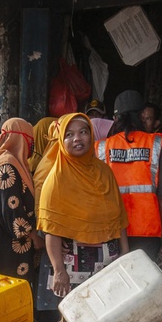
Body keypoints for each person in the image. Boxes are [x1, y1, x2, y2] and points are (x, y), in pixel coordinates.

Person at [35, 113, 130, 298]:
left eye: (83, 132)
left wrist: (125, 255)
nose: (77, 138)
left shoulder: (105, 172)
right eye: (69, 135)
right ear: (61, 140)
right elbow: (51, 230)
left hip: (108, 266)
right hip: (73, 269)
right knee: (76, 320)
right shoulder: (56, 179)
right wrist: (59, 270)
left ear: (91, 136)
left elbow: (119, 219)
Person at [96, 90, 162, 260]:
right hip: (147, 231)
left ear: (115, 119)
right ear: (142, 115)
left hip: (111, 230)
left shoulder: (101, 148)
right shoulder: (157, 143)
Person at [0, 117, 42, 279]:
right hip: (9, 249)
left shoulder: (12, 163)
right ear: (21, 139)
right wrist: (33, 236)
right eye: (30, 141)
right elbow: (10, 211)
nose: (32, 146)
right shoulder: (7, 167)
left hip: (11, 245)